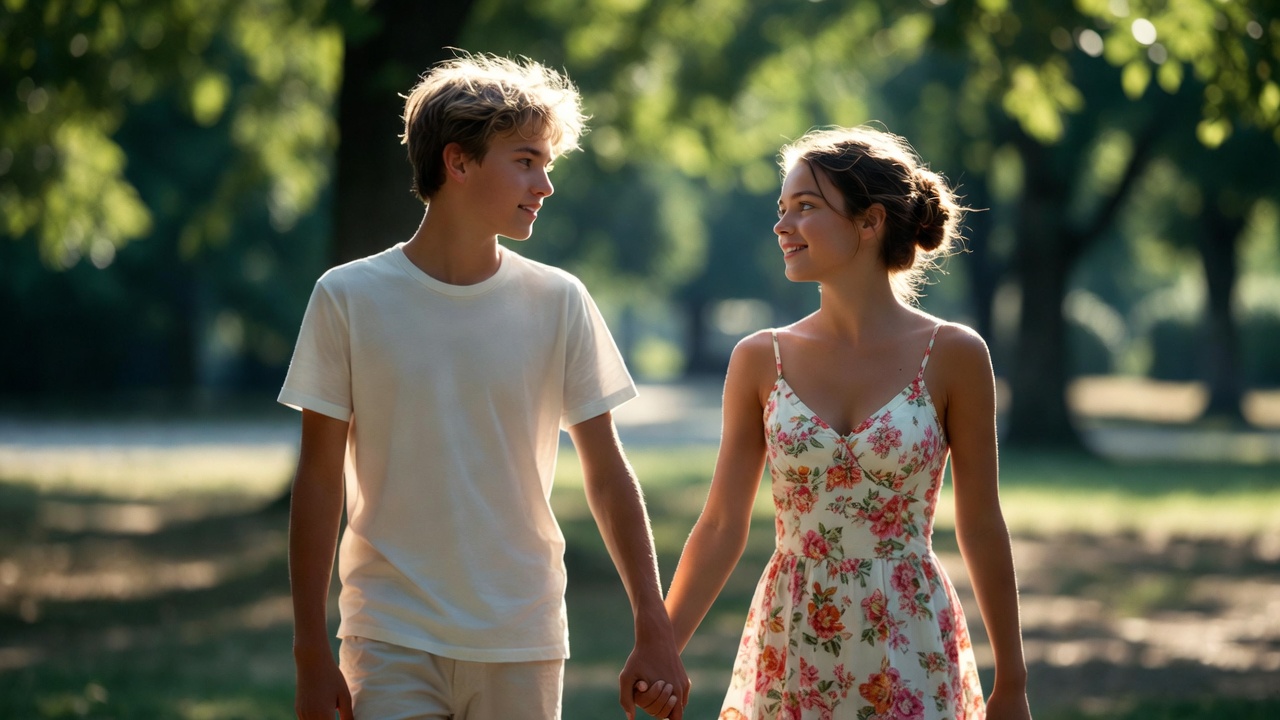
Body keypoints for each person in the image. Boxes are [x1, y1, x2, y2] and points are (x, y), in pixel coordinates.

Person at [280, 52, 688, 720]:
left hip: (521, 637)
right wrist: (309, 652)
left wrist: (655, 625)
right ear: (458, 162)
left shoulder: (560, 300)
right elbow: (320, 479)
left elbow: (608, 472)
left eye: (547, 164)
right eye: (526, 160)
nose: (545, 184)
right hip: (389, 636)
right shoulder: (347, 297)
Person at [639, 126, 1031, 718]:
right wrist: (660, 648)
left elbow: (980, 524)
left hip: (910, 636)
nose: (782, 226)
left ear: (869, 222)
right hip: (792, 634)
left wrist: (1014, 682)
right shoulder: (759, 359)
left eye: (806, 207)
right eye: (782, 209)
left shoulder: (955, 354)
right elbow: (721, 524)